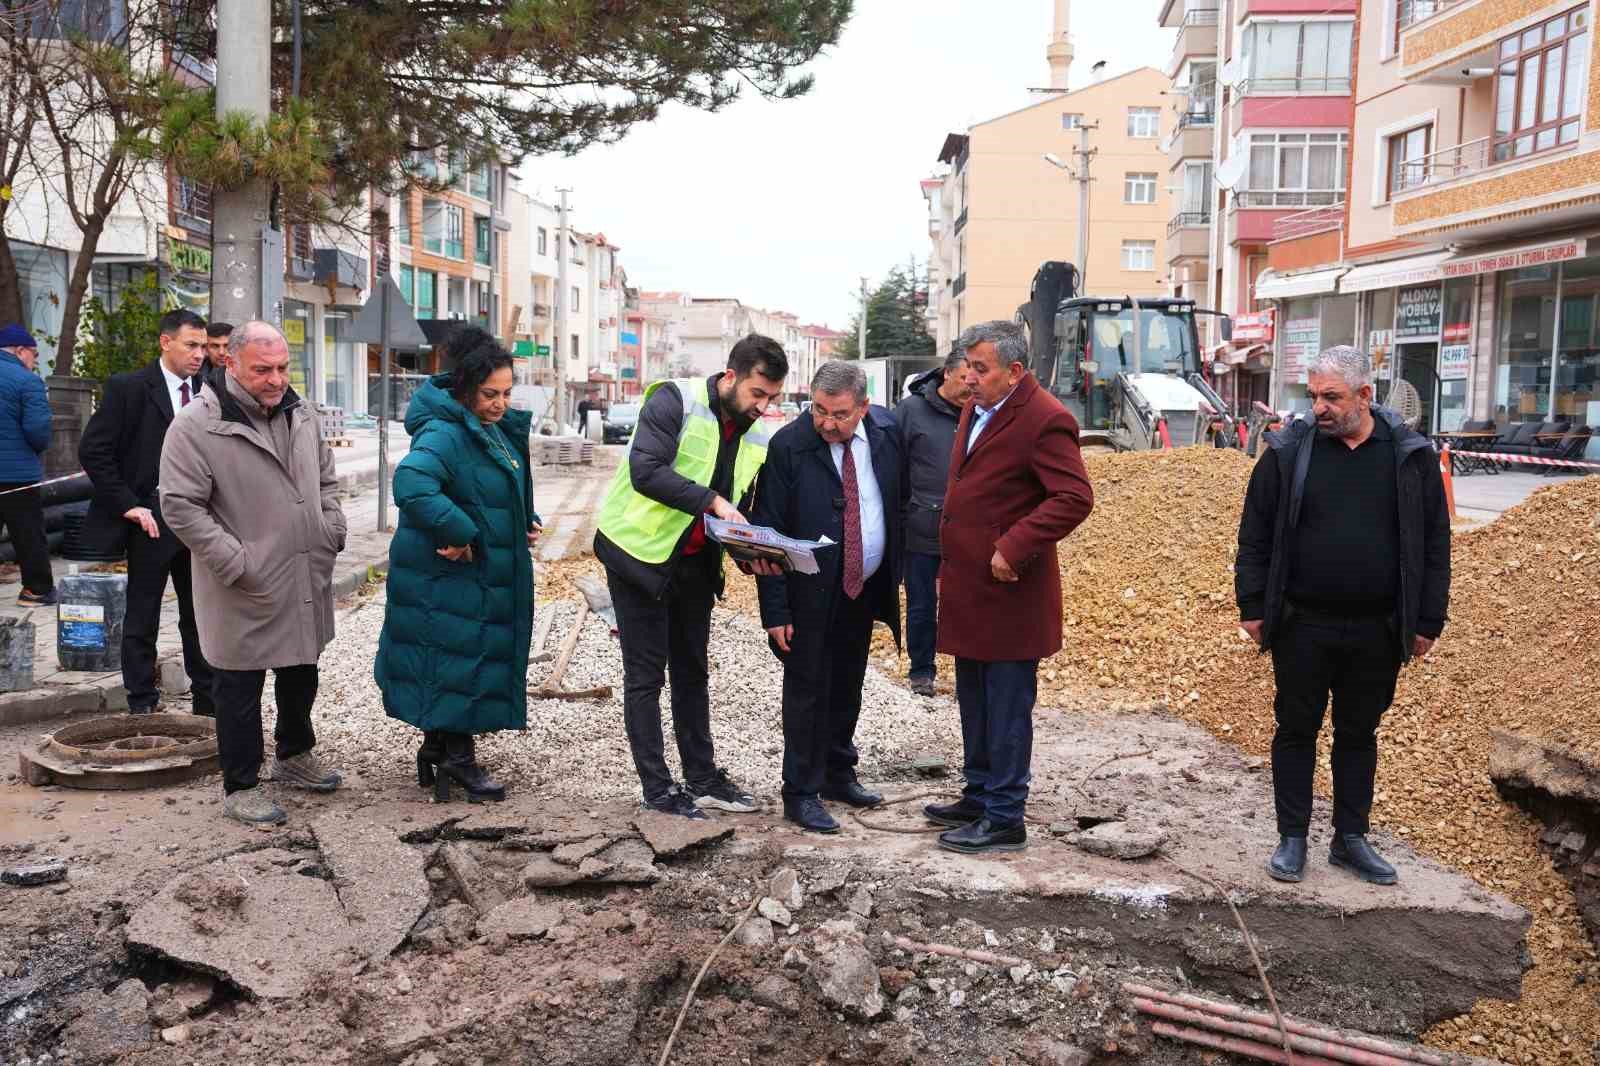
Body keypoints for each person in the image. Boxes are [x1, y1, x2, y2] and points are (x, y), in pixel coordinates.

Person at [1236, 345, 1450, 887]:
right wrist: (1254, 605)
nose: (1319, 408)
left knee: (1359, 733)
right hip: (1302, 624)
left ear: (1365, 396)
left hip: (1378, 628)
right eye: (1313, 397)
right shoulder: (1289, 450)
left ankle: (1350, 839)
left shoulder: (1408, 455)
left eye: (1331, 397)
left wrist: (1428, 619)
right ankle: (1292, 837)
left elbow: (1434, 543)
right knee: (1295, 729)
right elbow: (1255, 532)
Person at [159, 321, 347, 825]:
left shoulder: (300, 413)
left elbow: (327, 477)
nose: (276, 379)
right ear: (231, 364)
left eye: (283, 367)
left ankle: (294, 755)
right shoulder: (196, 426)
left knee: (301, 668)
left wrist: (330, 527)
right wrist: (234, 560)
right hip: (243, 580)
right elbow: (180, 506)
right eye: (263, 369)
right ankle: (240, 784)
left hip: (305, 568)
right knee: (238, 685)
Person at [593, 334, 787, 819]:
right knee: (645, 676)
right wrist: (713, 501)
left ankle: (702, 778)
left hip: (695, 563)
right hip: (636, 554)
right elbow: (646, 471)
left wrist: (752, 552)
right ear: (730, 378)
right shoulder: (674, 400)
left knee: (692, 672)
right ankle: (658, 789)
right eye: (757, 394)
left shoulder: (756, 433)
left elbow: (741, 506)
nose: (763, 407)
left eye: (773, 398)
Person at [927, 321, 1093, 855]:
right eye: (967, 367)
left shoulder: (1046, 419)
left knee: (1006, 708)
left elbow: (1072, 497)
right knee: (974, 702)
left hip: (1010, 593)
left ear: (1014, 371)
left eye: (980, 369)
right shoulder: (978, 409)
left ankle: (1004, 818)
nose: (968, 378)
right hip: (971, 589)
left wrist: (1013, 546)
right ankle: (979, 795)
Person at [375, 328, 540, 802]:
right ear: (466, 388)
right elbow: (411, 484)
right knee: (456, 661)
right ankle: (457, 759)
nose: (501, 403)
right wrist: (459, 532)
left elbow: (491, 491)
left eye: (508, 393)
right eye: (491, 394)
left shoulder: (483, 428)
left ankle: (437, 750)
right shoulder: (446, 432)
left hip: (467, 575)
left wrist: (523, 522)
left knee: (451, 658)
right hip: (448, 575)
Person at [753, 361, 902, 833]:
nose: (826, 423)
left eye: (839, 414)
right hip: (807, 594)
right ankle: (800, 791)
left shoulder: (885, 434)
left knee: (847, 686)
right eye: (818, 410)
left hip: (861, 585)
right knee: (806, 693)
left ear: (863, 407)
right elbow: (768, 532)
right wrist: (775, 610)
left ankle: (839, 772)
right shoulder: (790, 446)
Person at [79, 308, 215, 716]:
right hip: (151, 521)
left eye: (203, 346)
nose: (199, 354)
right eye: (191, 345)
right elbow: (94, 451)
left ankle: (208, 705)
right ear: (165, 342)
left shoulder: (210, 390)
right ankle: (142, 704)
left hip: (198, 520)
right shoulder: (130, 388)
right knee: (142, 616)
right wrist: (130, 506)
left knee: (201, 617)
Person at [896, 349, 970, 696]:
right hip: (922, 527)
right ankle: (922, 671)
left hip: (969, 530)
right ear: (946, 375)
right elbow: (892, 466)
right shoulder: (911, 412)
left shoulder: (979, 412)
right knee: (922, 604)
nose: (972, 386)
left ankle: (969, 672)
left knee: (966, 603)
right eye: (965, 380)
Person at [0, 324, 55, 606]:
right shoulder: (26, 381)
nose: (34, 361)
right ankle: (37, 590)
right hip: (15, 474)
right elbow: (38, 431)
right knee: (28, 533)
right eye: (33, 354)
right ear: (20, 351)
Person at [201, 321, 232, 396]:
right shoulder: (194, 377)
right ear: (206, 349)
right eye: (215, 346)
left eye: (226, 346)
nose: (221, 352)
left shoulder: (249, 374)